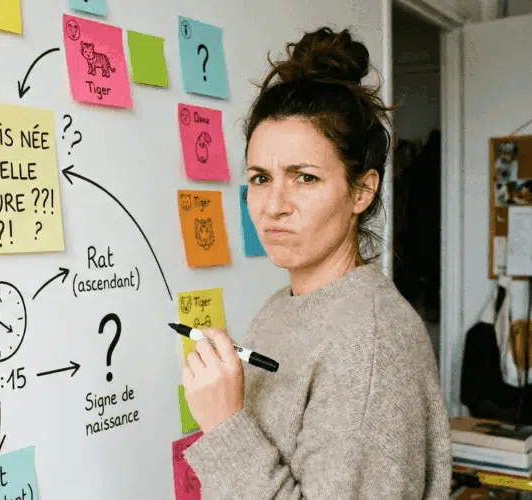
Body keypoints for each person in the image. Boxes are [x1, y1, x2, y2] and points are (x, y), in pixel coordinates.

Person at [180, 27, 452, 499]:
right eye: (260, 178)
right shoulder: (281, 306)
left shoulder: (371, 346)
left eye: (304, 178)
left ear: (361, 191)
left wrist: (224, 425)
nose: (274, 206)